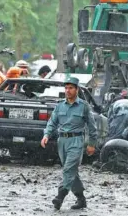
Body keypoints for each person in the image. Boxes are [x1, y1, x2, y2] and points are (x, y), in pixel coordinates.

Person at [40, 77, 97, 210]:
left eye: (71, 88)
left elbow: (92, 126)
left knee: (68, 169)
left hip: (76, 141)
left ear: (77, 90)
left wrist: (92, 144)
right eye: (66, 88)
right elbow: (52, 122)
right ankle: (81, 199)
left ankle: (60, 197)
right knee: (71, 171)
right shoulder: (60, 105)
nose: (68, 90)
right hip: (62, 141)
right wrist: (46, 135)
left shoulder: (84, 106)